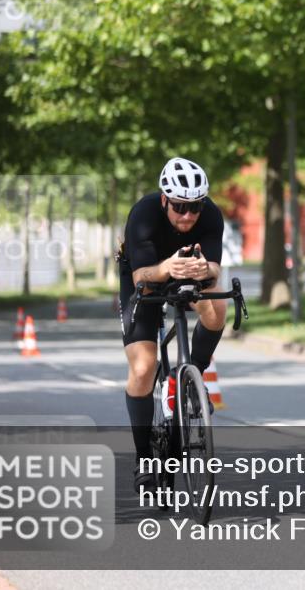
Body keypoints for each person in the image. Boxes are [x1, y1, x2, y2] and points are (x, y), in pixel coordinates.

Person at [118, 157, 227, 492]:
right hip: (146, 275)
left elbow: (215, 267)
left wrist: (204, 271)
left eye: (195, 207)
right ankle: (143, 460)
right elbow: (141, 275)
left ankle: (193, 378)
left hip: (188, 272)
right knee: (143, 367)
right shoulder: (144, 214)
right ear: (165, 199)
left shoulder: (211, 216)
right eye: (180, 206)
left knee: (217, 307)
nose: (188, 215)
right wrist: (167, 268)